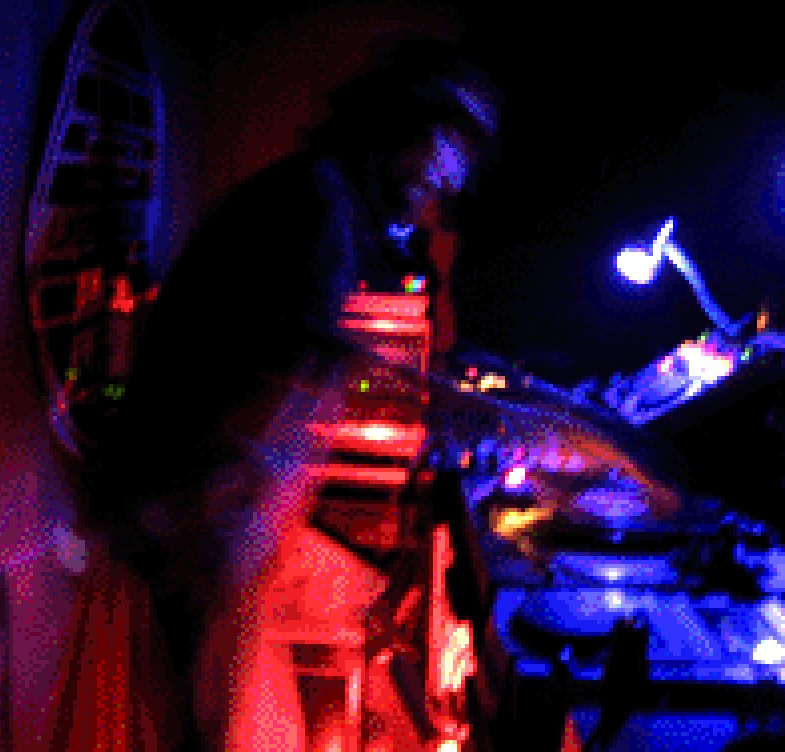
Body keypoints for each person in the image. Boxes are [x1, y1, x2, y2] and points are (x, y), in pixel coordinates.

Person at [77, 36, 502, 752]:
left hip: (196, 504)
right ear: (403, 123)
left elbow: (303, 349)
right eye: (445, 149)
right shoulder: (321, 208)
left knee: (237, 712)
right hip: (194, 509)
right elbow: (270, 404)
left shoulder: (320, 196)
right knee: (221, 727)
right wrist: (242, 529)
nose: (448, 180)